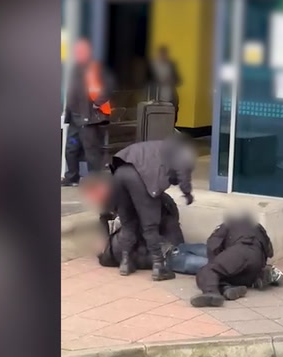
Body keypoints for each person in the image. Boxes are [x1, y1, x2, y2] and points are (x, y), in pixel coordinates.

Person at [108, 132, 196, 281]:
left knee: (128, 223)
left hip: (120, 173)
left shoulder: (155, 146)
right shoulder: (180, 151)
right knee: (150, 226)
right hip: (142, 178)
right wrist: (187, 193)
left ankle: (125, 262)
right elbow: (182, 172)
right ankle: (158, 266)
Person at [62, 38, 115, 186]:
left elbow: (108, 87)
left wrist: (97, 104)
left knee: (91, 151)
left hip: (89, 118)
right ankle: (72, 177)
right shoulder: (74, 69)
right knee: (71, 148)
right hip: (74, 118)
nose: (78, 53)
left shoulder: (96, 68)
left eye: (81, 51)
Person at [190, 214, 274, 307]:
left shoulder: (228, 224)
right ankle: (228, 288)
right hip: (257, 263)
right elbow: (270, 252)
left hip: (240, 251)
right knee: (224, 274)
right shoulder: (260, 228)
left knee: (208, 271)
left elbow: (213, 245)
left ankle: (212, 293)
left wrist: (215, 263)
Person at [147, 45, 181, 124]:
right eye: (161, 54)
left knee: (171, 120)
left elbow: (178, 80)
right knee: (158, 121)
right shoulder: (152, 66)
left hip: (171, 99)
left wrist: (171, 79)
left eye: (164, 54)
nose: (163, 56)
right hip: (157, 99)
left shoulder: (171, 65)